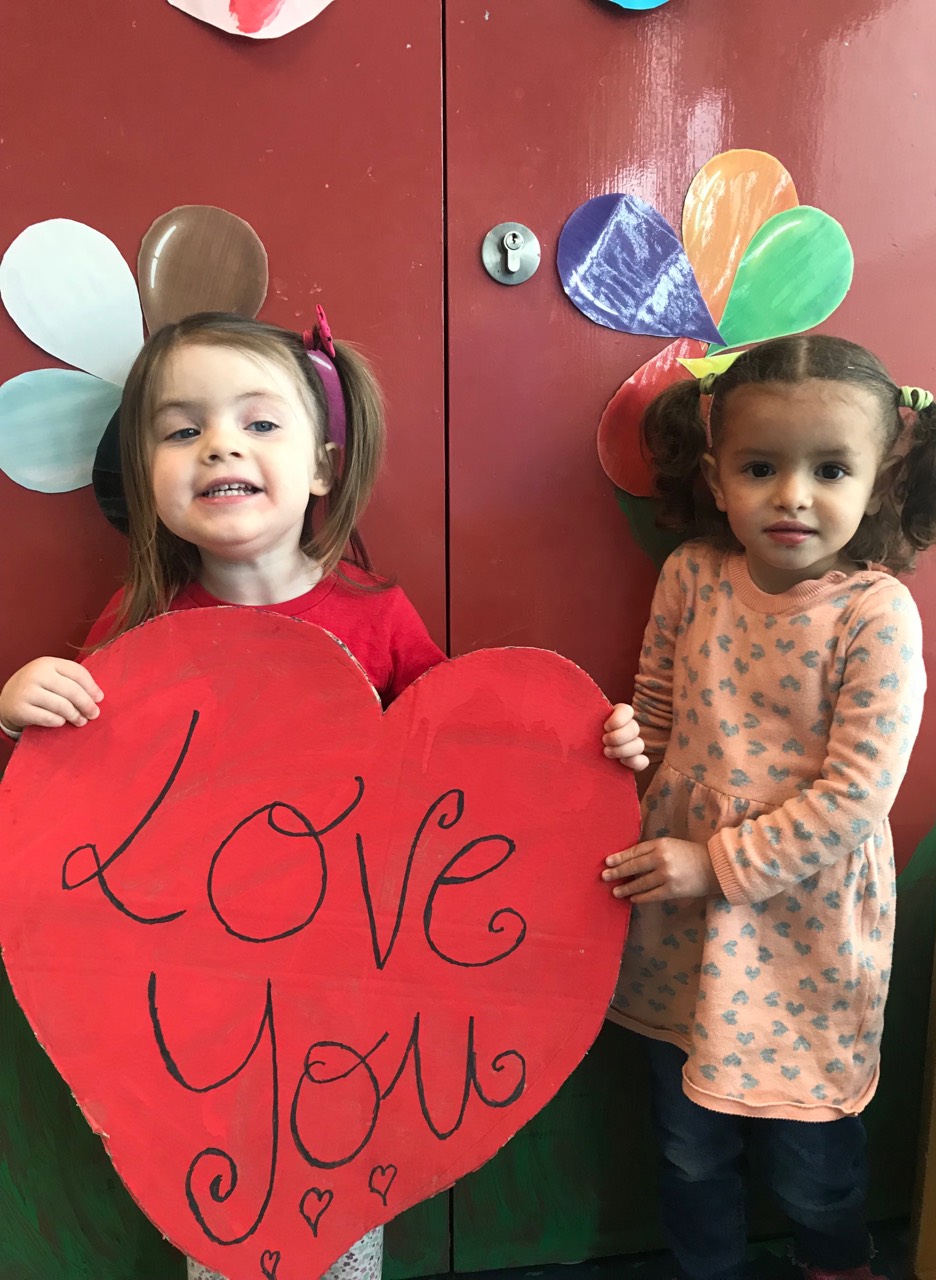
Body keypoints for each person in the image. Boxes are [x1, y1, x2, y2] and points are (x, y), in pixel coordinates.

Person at [0, 308, 647, 1280]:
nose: (220, 444)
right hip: (203, 983)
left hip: (351, 984)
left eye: (259, 421)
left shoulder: (374, 615)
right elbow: (84, 798)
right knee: (220, 1190)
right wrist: (26, 710)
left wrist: (586, 749)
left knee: (332, 1178)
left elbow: (465, 767)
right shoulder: (140, 628)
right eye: (182, 430)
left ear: (320, 467)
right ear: (145, 477)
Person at [600, 334, 936, 1280]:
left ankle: (837, 1266)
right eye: (761, 467)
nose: (793, 495)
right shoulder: (692, 574)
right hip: (681, 921)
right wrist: (629, 746)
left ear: (880, 482)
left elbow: (855, 794)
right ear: (716, 478)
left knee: (812, 1160)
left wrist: (715, 864)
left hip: (806, 919)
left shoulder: (875, 612)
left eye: (830, 469)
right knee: (688, 1143)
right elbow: (657, 710)